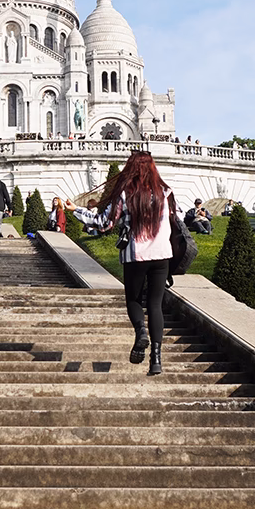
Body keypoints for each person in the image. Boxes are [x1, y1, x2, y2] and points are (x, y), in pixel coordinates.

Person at [66, 149, 177, 375]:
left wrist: (75, 210)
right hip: (162, 254)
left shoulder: (126, 194)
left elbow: (104, 223)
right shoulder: (166, 192)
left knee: (134, 301)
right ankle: (156, 359)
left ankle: (141, 333)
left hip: (135, 255)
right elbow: (178, 220)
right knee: (155, 305)